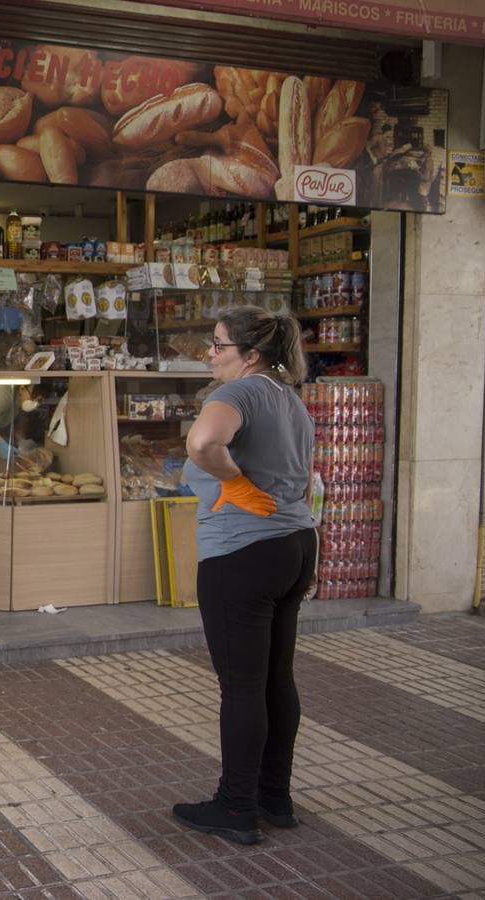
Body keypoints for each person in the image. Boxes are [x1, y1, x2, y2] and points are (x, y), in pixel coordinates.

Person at [174, 306, 317, 846]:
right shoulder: (290, 399)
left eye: (218, 344)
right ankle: (273, 797)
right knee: (275, 679)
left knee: (241, 688)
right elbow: (301, 476)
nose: (210, 354)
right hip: (294, 545)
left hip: (243, 551)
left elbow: (203, 444)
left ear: (251, 355)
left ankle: (235, 808)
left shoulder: (236, 393)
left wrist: (232, 484)